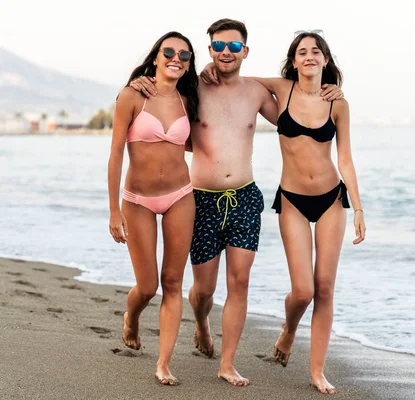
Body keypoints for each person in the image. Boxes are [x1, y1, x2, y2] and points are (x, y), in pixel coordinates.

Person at [129, 19, 344, 387]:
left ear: (245, 52)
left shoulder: (257, 93)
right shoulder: (192, 88)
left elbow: (298, 121)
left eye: (233, 47)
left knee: (239, 282)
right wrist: (139, 81)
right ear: (209, 49)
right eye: (218, 46)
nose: (225, 52)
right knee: (205, 290)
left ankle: (227, 364)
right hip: (201, 199)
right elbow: (162, 104)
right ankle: (201, 321)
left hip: (245, 196)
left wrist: (330, 94)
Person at [202, 30, 366, 395]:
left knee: (324, 288)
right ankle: (289, 329)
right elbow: (237, 76)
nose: (309, 56)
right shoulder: (282, 87)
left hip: (331, 199)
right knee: (303, 290)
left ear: (325, 59)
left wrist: (358, 207)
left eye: (316, 51)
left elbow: (346, 158)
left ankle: (317, 372)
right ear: (294, 61)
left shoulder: (338, 103)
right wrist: (206, 72)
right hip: (292, 199)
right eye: (302, 51)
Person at [108, 31, 199, 386]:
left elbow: (200, 140)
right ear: (156, 56)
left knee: (173, 282)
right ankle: (131, 317)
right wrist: (114, 209)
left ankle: (163, 362)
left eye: (185, 55)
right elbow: (116, 152)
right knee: (147, 286)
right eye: (169, 52)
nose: (177, 58)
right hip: (137, 200)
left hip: (180, 196)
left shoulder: (188, 99)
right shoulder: (132, 95)